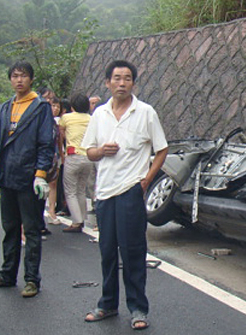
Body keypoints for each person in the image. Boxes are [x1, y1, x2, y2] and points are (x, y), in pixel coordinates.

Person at [82, 60, 168, 330]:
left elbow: (162, 149)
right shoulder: (99, 114)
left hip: (131, 190)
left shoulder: (145, 112)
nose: (122, 83)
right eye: (117, 78)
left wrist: (146, 180)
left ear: (133, 83)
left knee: (132, 252)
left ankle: (138, 308)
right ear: (107, 82)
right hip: (105, 192)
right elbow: (89, 151)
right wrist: (101, 151)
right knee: (107, 251)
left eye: (127, 78)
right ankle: (107, 304)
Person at [0, 61, 55, 298]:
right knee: (10, 227)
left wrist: (40, 174)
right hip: (7, 177)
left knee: (31, 230)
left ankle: (32, 279)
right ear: (10, 79)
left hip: (29, 177)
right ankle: (7, 274)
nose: (19, 80)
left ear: (31, 79)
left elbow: (46, 143)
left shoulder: (40, 107)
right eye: (14, 76)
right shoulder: (4, 107)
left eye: (23, 76)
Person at [59, 93, 93, 232]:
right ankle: (83, 218)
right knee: (81, 189)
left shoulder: (66, 118)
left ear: (72, 106)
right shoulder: (91, 119)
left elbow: (61, 135)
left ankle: (76, 222)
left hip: (73, 156)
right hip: (88, 157)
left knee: (70, 191)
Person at [45, 97, 63, 225]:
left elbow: (60, 141)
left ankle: (52, 211)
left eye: (57, 106)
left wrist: (62, 156)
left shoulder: (57, 124)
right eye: (53, 106)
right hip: (43, 157)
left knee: (53, 184)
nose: (56, 109)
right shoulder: (41, 122)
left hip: (54, 157)